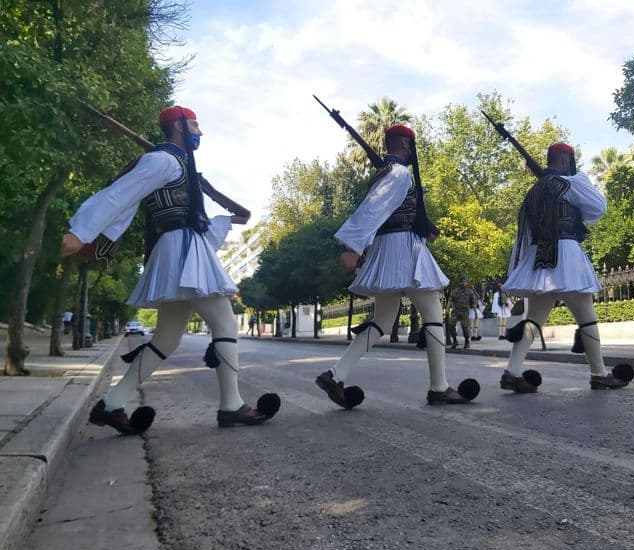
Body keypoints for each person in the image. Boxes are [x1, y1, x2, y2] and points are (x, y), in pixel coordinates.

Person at [61, 105, 280, 434]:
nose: (199, 132)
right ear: (178, 126)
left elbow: (198, 217)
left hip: (181, 246)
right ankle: (231, 405)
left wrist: (221, 212)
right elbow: (120, 194)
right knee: (224, 322)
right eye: (194, 124)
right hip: (181, 247)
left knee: (166, 338)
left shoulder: (177, 164)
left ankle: (112, 403)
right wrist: (82, 230)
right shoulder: (163, 160)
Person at [315, 124, 479, 407]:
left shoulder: (387, 173)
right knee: (433, 315)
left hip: (387, 250)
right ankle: (439, 387)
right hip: (404, 250)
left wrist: (425, 225)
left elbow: (390, 210)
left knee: (382, 321)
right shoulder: (400, 173)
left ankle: (336, 374)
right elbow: (373, 209)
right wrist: (351, 246)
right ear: (406, 145)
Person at [499, 141, 634, 393]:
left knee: (533, 320)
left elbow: (525, 234)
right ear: (566, 161)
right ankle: (599, 373)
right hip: (566, 255)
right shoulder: (568, 183)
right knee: (586, 316)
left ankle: (513, 371)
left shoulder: (533, 191)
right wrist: (579, 179)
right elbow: (598, 207)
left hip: (539, 258)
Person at [448, 275, 477, 349]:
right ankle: (455, 341)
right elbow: (450, 300)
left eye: (464, 281)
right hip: (456, 310)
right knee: (451, 324)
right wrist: (447, 310)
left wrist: (475, 312)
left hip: (465, 311)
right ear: (459, 282)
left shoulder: (469, 292)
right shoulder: (454, 291)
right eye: (462, 281)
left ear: (466, 282)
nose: (463, 283)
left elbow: (473, 302)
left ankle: (467, 341)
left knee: (464, 327)